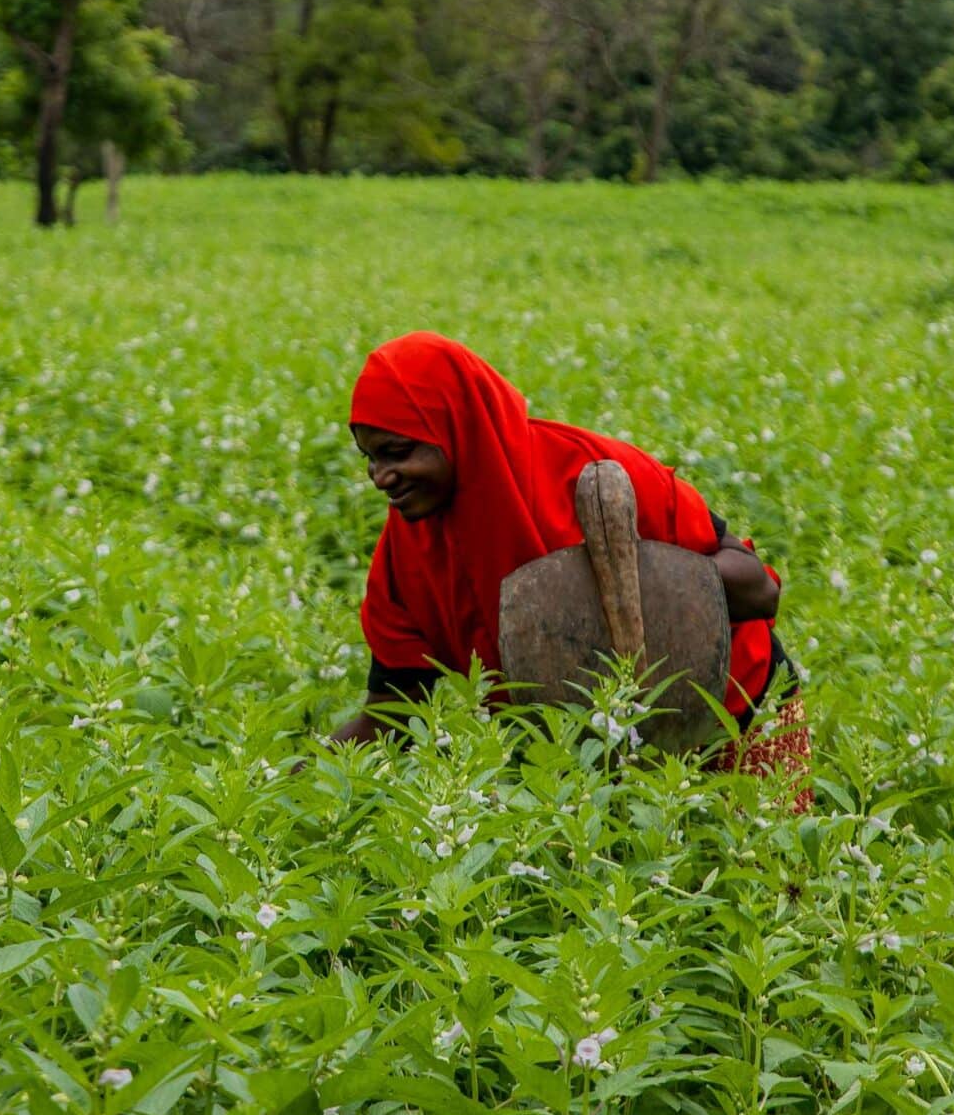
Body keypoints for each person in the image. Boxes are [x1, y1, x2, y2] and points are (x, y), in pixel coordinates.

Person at [327, 331, 811, 811]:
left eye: (398, 453)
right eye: (370, 459)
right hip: (578, 760)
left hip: (733, 717)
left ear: (454, 425)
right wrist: (298, 782)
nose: (380, 478)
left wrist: (630, 586)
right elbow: (392, 712)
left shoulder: (591, 472)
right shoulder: (407, 552)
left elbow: (759, 591)